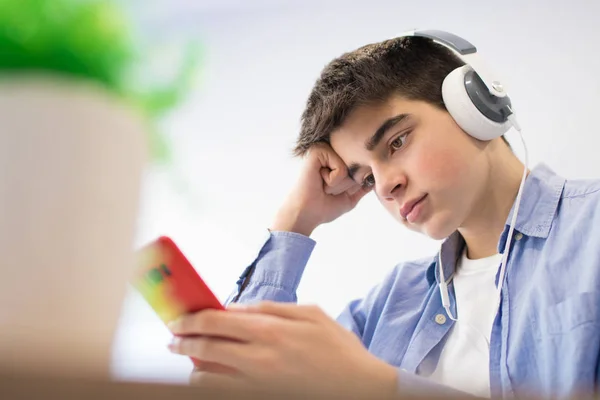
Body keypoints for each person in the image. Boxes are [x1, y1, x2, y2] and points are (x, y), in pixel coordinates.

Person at [166, 31, 600, 399]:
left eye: (396, 142)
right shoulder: (388, 306)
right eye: (366, 177)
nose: (386, 186)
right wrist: (296, 219)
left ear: (478, 105)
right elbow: (237, 385)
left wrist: (378, 386)